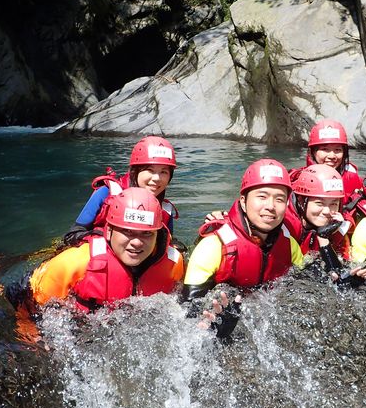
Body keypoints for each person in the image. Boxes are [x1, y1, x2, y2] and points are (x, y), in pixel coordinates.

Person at [182, 159, 305, 337]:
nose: (270, 206)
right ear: (243, 201)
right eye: (262, 197)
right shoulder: (214, 246)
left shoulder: (289, 245)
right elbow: (188, 312)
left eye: (279, 199)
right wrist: (214, 329)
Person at [30, 187, 185, 312]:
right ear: (109, 231)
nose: (137, 242)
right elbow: (33, 307)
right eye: (127, 231)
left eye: (147, 233)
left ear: (157, 235)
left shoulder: (175, 263)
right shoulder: (74, 263)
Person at [63, 136, 178, 246]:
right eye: (149, 170)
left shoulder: (165, 209)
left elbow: (168, 240)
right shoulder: (107, 193)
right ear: (135, 172)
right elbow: (73, 234)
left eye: (164, 172)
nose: (156, 178)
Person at [285, 163, 352, 259]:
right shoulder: (285, 226)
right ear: (301, 201)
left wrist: (325, 237)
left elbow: (339, 269)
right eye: (319, 203)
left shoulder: (337, 225)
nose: (327, 211)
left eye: (333, 204)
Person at [290, 120, 363, 205]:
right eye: (325, 149)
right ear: (313, 152)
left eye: (337, 150)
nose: (332, 156)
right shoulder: (298, 180)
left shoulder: (352, 177)